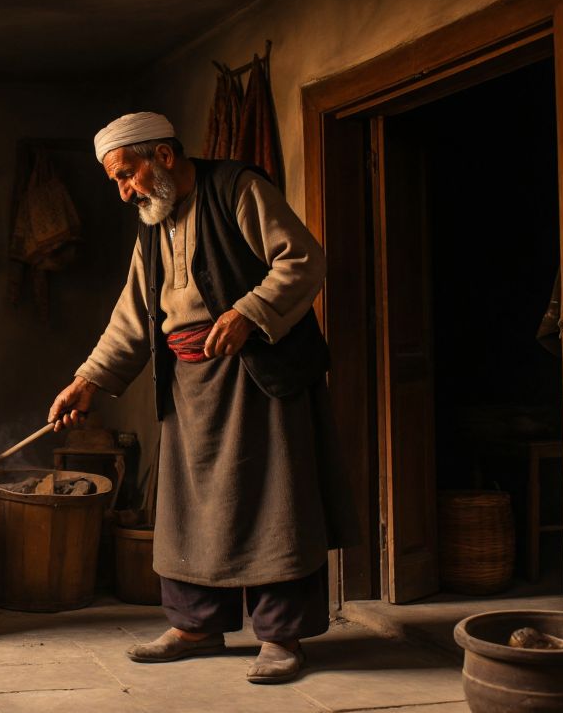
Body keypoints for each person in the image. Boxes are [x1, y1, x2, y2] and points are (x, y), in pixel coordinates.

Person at [48, 112, 355, 684]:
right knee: (187, 506)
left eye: (126, 175)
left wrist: (249, 312)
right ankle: (197, 624)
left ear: (163, 156)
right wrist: (87, 379)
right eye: (116, 181)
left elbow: (303, 259)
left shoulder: (239, 189)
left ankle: (280, 635)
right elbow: (135, 315)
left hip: (258, 372)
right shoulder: (152, 220)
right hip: (190, 382)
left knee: (272, 499)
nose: (123, 192)